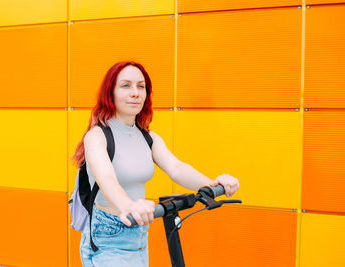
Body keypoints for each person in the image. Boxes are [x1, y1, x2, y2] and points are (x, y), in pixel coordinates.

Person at [71, 61, 239, 267]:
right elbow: (106, 177)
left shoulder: (148, 138)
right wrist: (129, 206)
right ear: (110, 93)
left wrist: (214, 185)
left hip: (139, 231)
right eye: (125, 86)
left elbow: (177, 168)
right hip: (108, 234)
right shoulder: (96, 136)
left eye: (141, 86)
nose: (135, 93)